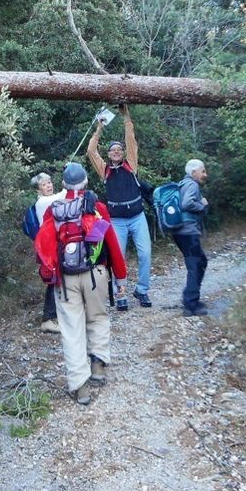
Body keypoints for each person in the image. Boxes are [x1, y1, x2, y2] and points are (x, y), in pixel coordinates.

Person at [34, 162, 128, 405]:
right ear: (86, 182)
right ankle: (97, 367)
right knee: (97, 317)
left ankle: (80, 386)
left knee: (71, 330)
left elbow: (43, 245)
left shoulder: (52, 210)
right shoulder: (96, 207)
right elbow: (112, 245)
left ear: (63, 185)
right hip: (96, 273)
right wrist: (120, 277)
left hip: (65, 279)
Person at [87, 104, 152, 309]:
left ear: (123, 153)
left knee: (145, 253)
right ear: (108, 154)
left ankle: (142, 290)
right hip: (116, 221)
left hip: (137, 217)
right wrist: (100, 127)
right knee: (118, 258)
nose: (116, 152)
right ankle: (121, 294)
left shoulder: (130, 164)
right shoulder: (104, 170)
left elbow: (131, 140)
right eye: (112, 150)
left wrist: (126, 117)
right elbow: (91, 150)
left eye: (119, 150)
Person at [27, 172, 64, 333]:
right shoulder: (43, 202)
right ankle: (48, 319)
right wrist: (69, 182)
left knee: (58, 279)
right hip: (48, 247)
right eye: (44, 184)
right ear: (38, 190)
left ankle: (55, 315)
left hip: (53, 245)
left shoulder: (51, 198)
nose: (48, 185)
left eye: (49, 182)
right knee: (53, 281)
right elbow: (61, 196)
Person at [173, 159, 209, 316]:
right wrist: (202, 204)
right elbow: (187, 204)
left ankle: (190, 297)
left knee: (200, 262)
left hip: (180, 231)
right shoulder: (192, 185)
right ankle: (191, 304)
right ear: (194, 172)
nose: (205, 174)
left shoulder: (182, 183)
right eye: (203, 171)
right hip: (188, 232)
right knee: (195, 265)